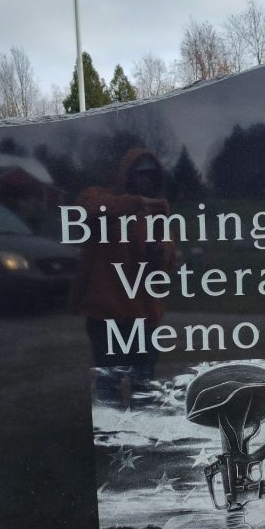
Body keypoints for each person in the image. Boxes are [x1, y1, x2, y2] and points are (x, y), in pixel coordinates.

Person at [71, 147, 175, 402]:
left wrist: (158, 249)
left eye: (151, 175)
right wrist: (135, 203)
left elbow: (165, 265)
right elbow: (86, 210)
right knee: (109, 384)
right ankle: (110, 439)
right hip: (105, 317)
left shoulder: (159, 214)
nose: (146, 179)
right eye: (140, 173)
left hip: (145, 318)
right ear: (126, 174)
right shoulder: (98, 196)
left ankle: (141, 438)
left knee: (144, 385)